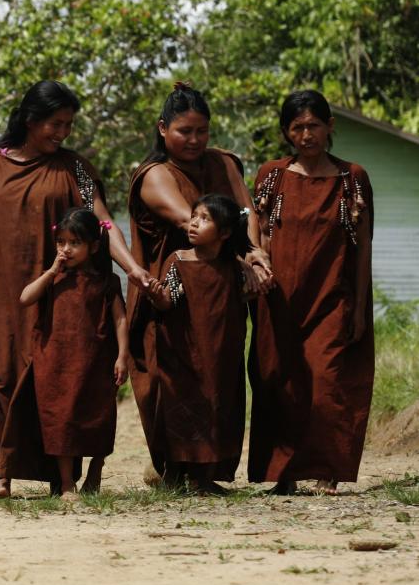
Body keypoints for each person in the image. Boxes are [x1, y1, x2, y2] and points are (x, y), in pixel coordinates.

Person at [0, 80, 152, 498]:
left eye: (68, 125)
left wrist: (131, 267)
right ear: (30, 119)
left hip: (58, 301)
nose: (62, 133)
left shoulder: (73, 167)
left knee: (53, 381)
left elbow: (103, 221)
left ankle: (59, 478)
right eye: (55, 124)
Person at [126, 81, 271, 484]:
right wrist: (245, 254)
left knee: (219, 377)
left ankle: (208, 472)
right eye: (183, 131)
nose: (194, 140)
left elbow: (246, 213)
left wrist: (257, 253)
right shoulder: (154, 174)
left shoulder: (224, 162)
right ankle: (174, 470)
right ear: (162, 128)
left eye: (201, 131)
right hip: (169, 291)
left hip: (219, 292)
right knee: (172, 378)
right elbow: (192, 221)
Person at [248, 90, 374, 496]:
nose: (306, 135)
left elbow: (364, 247)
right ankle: (282, 474)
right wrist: (255, 263)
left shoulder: (351, 177)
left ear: (329, 126)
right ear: (286, 132)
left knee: (326, 382)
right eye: (298, 127)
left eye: (314, 125)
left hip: (332, 299)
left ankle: (326, 472)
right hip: (278, 299)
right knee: (278, 381)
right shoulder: (272, 175)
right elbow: (259, 230)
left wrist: (358, 309)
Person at [4, 208, 128, 500]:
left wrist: (122, 356)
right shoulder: (54, 279)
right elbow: (24, 298)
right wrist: (51, 271)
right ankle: (67, 484)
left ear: (94, 246)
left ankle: (96, 469)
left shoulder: (106, 282)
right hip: (56, 362)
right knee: (61, 420)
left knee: (99, 417)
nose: (66, 249)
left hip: (96, 360)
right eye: (61, 242)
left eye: (75, 243)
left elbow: (120, 319)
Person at [145, 194, 252, 495]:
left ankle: (204, 478)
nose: (194, 223)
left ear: (226, 232)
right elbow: (168, 301)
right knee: (180, 408)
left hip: (221, 353)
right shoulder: (179, 260)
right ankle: (173, 475)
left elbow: (244, 298)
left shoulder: (232, 267)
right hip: (182, 352)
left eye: (205, 219)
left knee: (217, 406)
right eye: (194, 216)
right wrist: (155, 293)